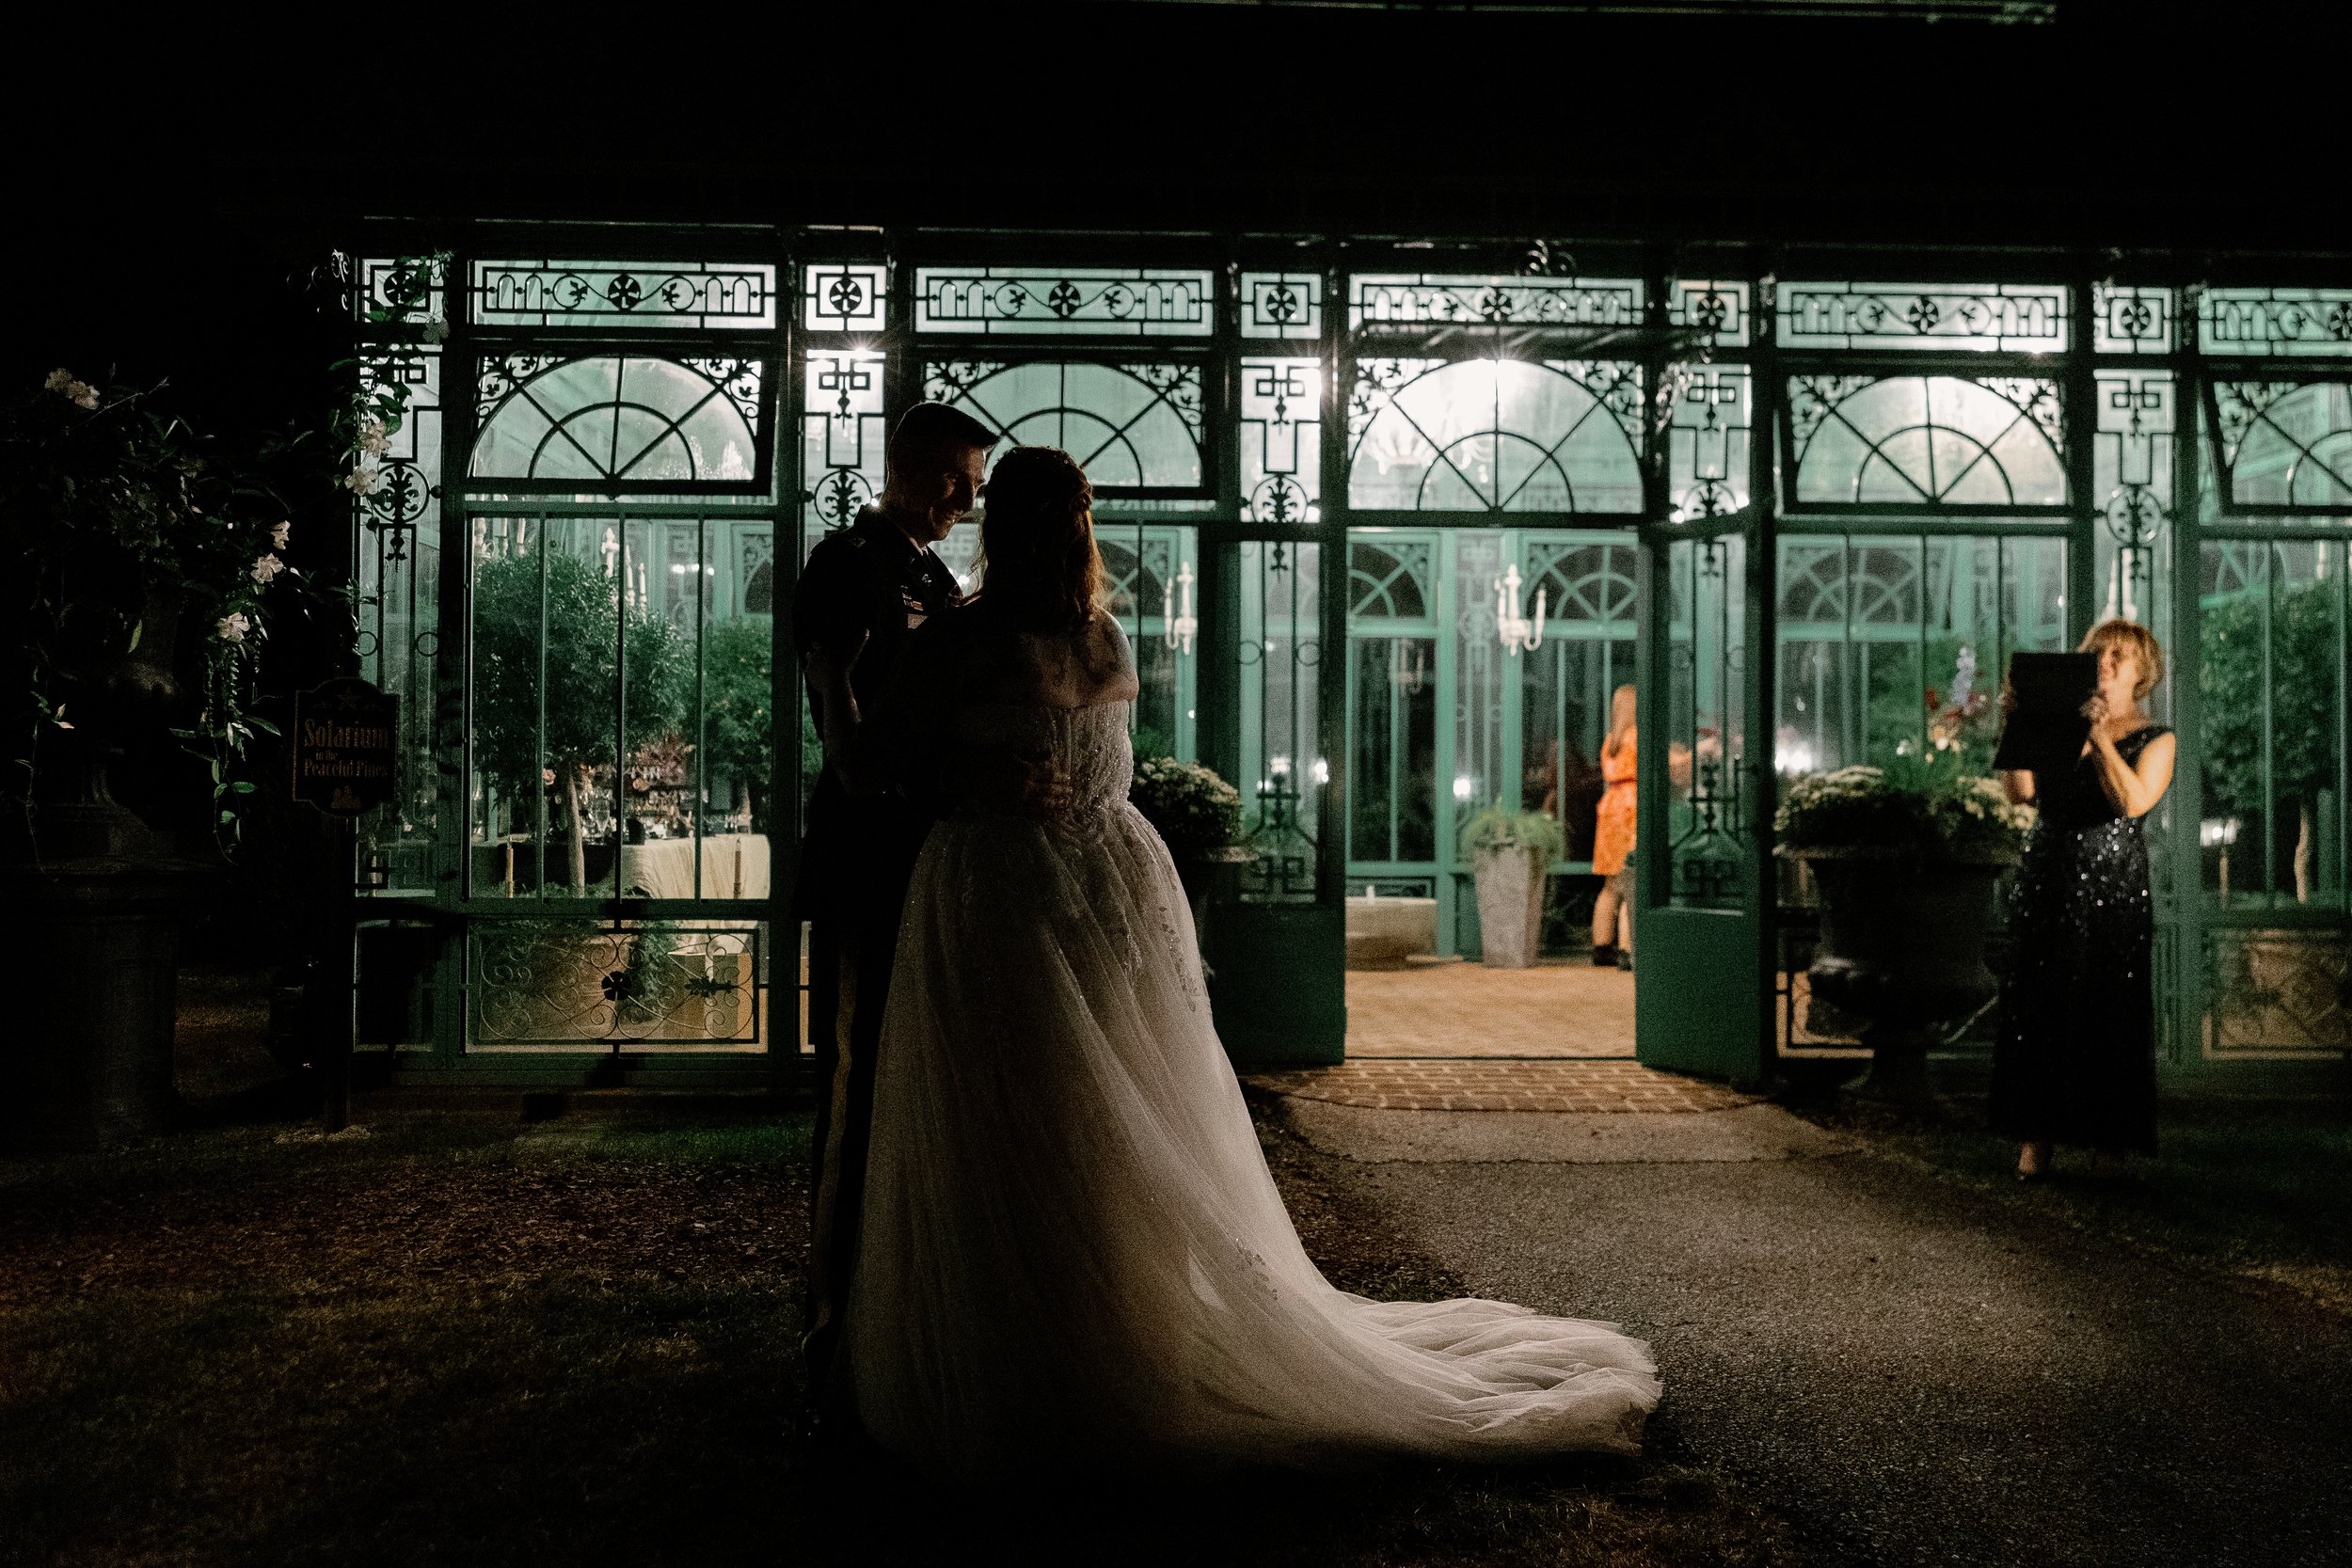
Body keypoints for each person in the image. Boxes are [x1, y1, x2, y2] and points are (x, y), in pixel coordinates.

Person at [811, 447, 1658, 1480]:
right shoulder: (1104, 634)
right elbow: (1096, 770)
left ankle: (1034, 1343)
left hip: (1000, 891)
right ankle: (1120, 1323)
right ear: (1079, 527)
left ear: (998, 525)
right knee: (1113, 1113)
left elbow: (868, 765)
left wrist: (843, 682)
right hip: (1113, 888)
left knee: (1009, 1112)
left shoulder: (959, 641)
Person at [790, 400, 1001, 1406]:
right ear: (908, 469)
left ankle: (896, 1290)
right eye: (956, 477)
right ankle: (831, 1314)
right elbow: (834, 683)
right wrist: (858, 767)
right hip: (867, 851)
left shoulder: (934, 573)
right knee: (851, 1075)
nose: (967, 497)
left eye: (975, 481)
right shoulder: (848, 561)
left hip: (925, 849)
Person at [1993, 619, 2177, 1180]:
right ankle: (2035, 1139)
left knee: (2107, 1007)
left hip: (2113, 884)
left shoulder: (2158, 738)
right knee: (2038, 1002)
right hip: (2049, 872)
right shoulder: (2055, 726)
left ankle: (2107, 1143)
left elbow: (2133, 801)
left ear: (2143, 672)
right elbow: (2022, 792)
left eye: (2121, 654)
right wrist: (2018, 722)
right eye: (2099, 650)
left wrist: (2098, 739)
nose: (2107, 659)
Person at [1588, 684, 1638, 969]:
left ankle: (1601, 947)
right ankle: (1627, 950)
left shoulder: (1611, 741)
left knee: (1610, 885)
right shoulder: (1636, 738)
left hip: (1610, 807)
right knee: (1632, 881)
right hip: (1632, 807)